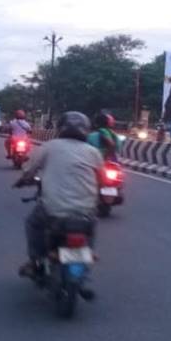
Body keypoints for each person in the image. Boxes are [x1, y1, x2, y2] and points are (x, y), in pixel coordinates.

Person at [15, 111, 104, 278]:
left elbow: (29, 170)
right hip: (85, 211)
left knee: (33, 224)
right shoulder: (93, 152)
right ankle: (86, 255)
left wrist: (23, 180)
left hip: (53, 210)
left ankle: (36, 260)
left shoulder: (49, 146)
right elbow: (101, 178)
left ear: (60, 128)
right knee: (91, 226)